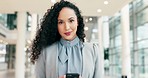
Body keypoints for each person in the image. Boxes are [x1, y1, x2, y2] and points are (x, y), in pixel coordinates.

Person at [30, 0, 103, 78]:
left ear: (77, 21)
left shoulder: (93, 50)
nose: (67, 27)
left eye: (71, 20)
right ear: (55, 25)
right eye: (61, 22)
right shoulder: (45, 52)